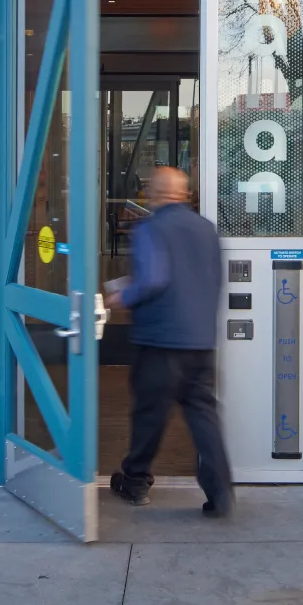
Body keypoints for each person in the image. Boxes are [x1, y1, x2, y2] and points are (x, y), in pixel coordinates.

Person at [105, 165, 233, 516]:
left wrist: (122, 297)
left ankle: (134, 483)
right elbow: (215, 281)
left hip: (160, 340)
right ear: (185, 194)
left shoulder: (150, 228)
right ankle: (221, 493)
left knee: (149, 413)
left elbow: (153, 279)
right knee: (203, 415)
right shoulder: (207, 229)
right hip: (200, 341)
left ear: (156, 194)